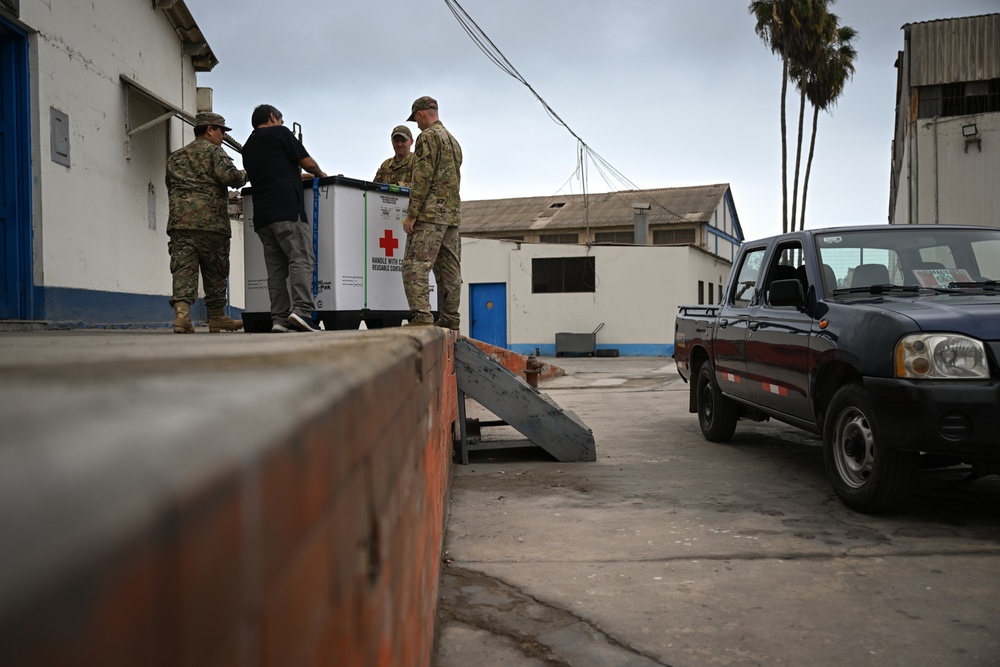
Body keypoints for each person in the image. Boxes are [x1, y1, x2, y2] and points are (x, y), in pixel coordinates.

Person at [242, 104, 327, 333]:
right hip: (287, 212)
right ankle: (302, 312)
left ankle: (279, 319)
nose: (281, 123)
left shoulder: (248, 146)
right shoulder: (281, 133)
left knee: (276, 271)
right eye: (280, 119)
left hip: (263, 217)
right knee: (301, 258)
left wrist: (299, 176)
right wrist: (319, 173)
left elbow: (274, 171)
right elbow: (306, 161)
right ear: (272, 117)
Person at [165, 112, 247, 334]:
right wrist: (247, 173)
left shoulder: (175, 157)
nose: (222, 136)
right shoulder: (214, 152)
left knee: (183, 269)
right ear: (210, 130)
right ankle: (218, 317)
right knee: (216, 271)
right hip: (211, 224)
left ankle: (182, 317)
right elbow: (232, 178)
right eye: (221, 131)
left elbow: (170, 187)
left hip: (180, 223)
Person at [401, 96, 463, 330]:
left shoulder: (427, 137)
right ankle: (451, 318)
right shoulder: (453, 140)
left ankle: (422, 316)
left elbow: (422, 178)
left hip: (430, 215)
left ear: (421, 114)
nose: (417, 125)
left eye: (416, 120)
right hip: (452, 216)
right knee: (449, 269)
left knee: (415, 265)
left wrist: (412, 214)